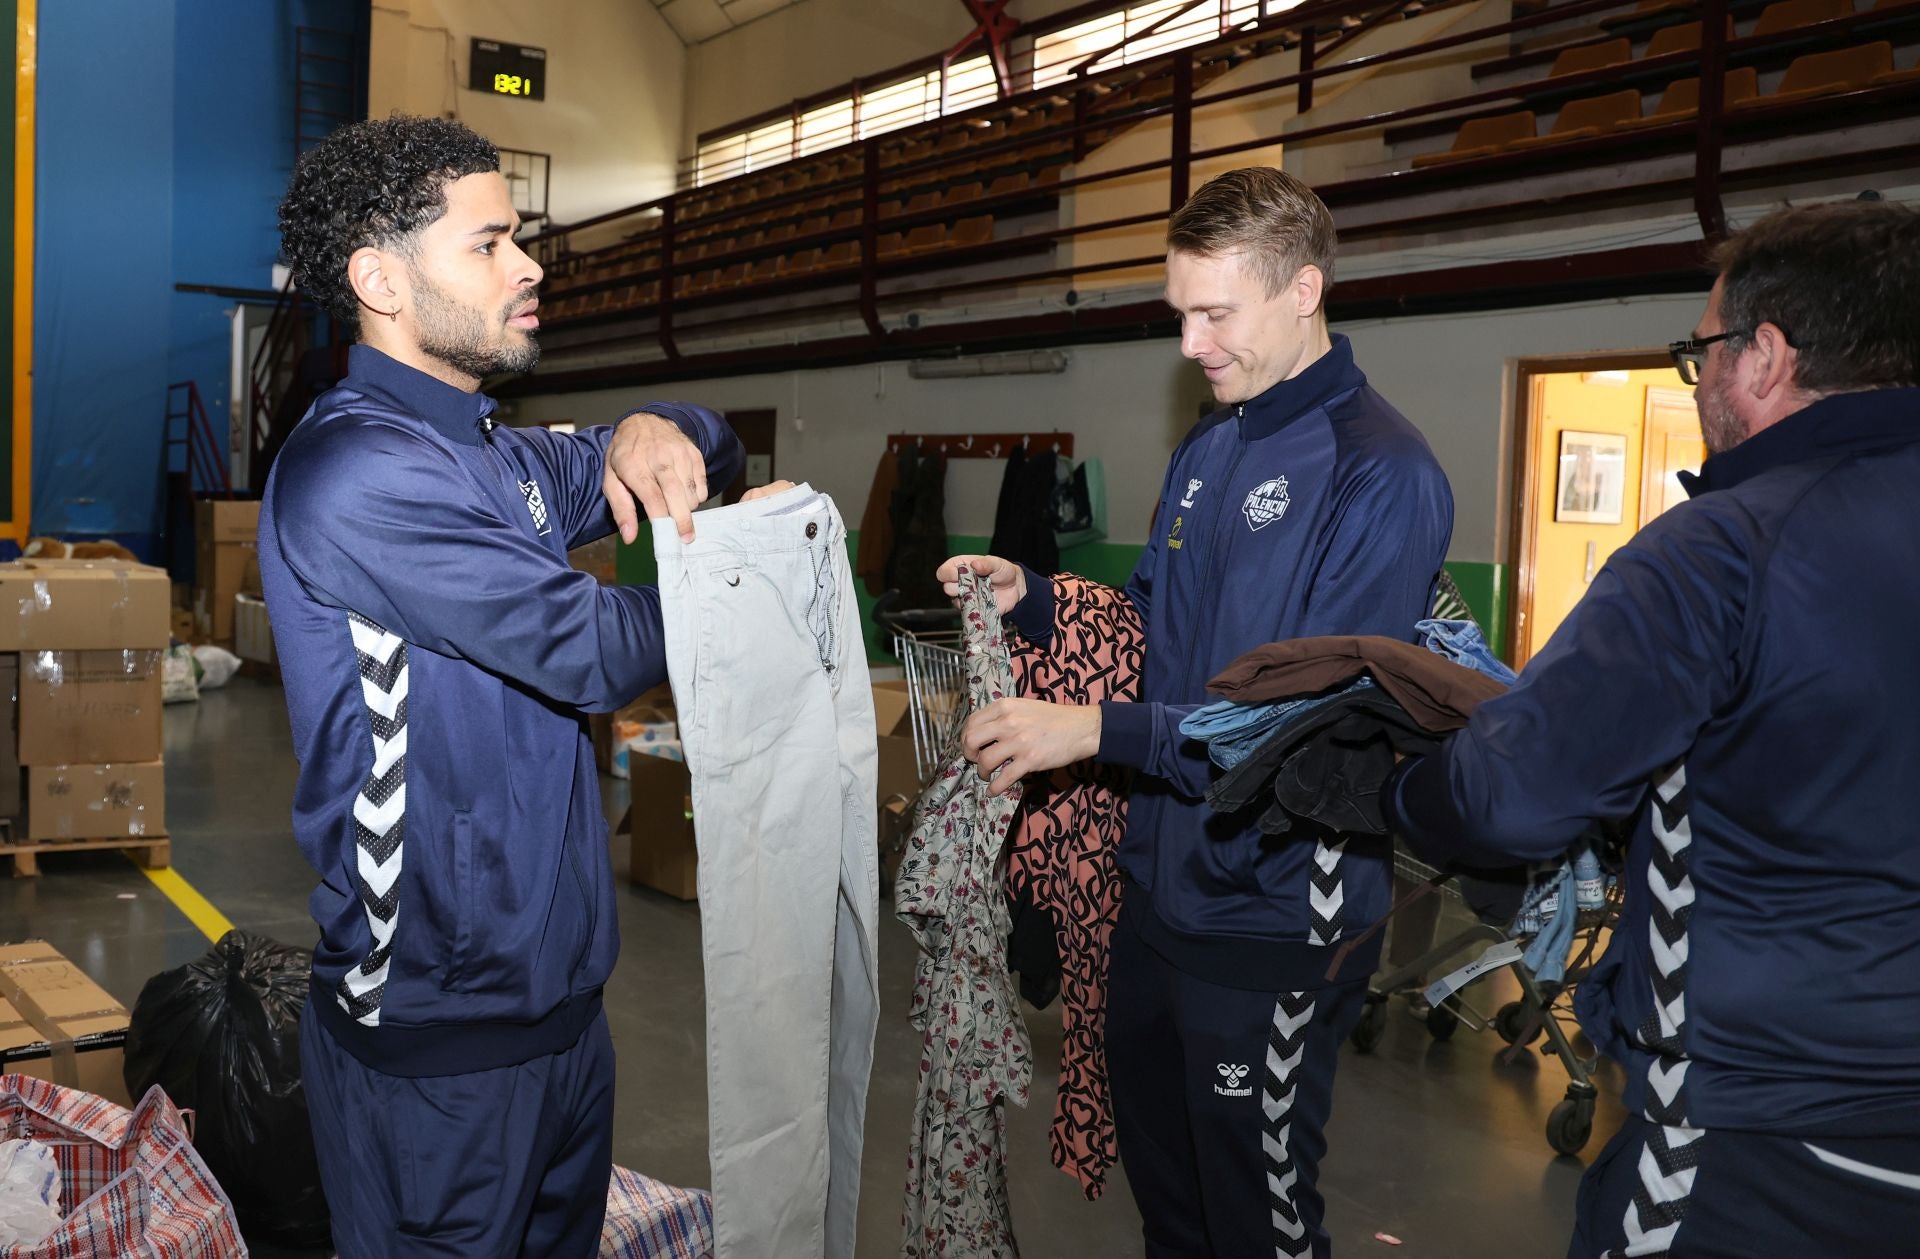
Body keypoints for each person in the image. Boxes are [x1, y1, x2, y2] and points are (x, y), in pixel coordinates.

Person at [1383, 200, 1920, 1257]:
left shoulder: (1725, 545)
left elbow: (1515, 793)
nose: (1702, 376)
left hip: (1757, 1131)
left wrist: (1400, 786)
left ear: (1764, 356)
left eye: (1703, 349)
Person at [941, 167, 1454, 1258]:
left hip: (1273, 916)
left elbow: (1312, 718)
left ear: (1303, 289)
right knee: (1171, 1213)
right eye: (1180, 314)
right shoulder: (1207, 448)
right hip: (1155, 900)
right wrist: (1034, 599)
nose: (1190, 344)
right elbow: (1148, 632)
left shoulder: (1383, 472)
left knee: (1257, 1222)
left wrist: (1094, 734)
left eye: (1215, 313)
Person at [262, 115, 745, 1256]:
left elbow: (713, 445)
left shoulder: (496, 452)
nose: (528, 264)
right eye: (489, 244)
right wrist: (749, 572)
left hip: (563, 1017)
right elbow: (597, 650)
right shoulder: (356, 470)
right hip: (440, 1032)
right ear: (381, 278)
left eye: (518, 238)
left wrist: (647, 424)